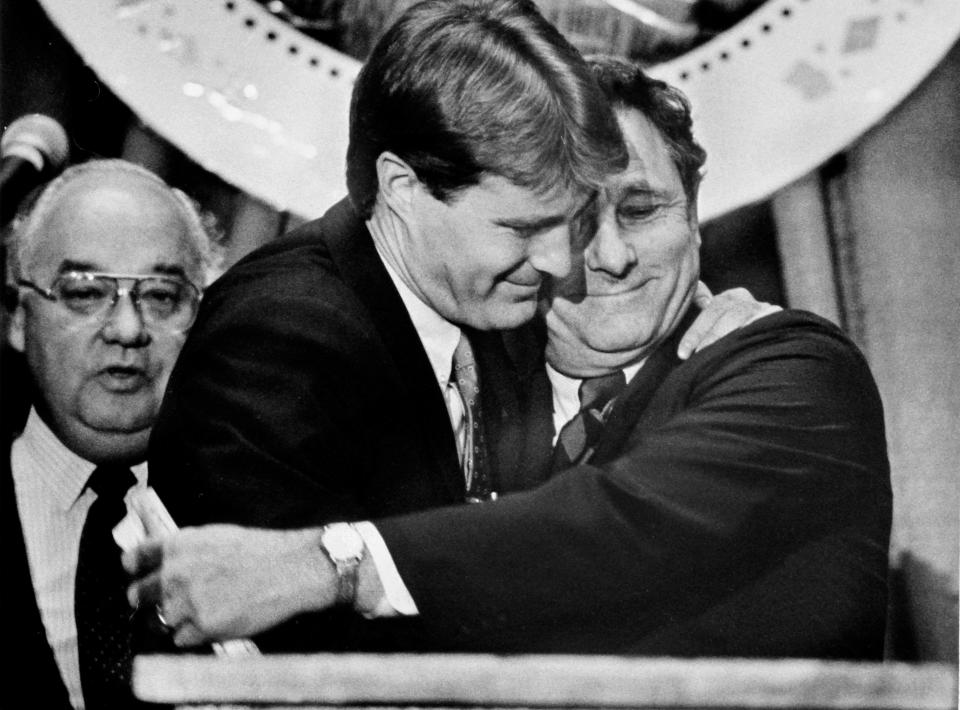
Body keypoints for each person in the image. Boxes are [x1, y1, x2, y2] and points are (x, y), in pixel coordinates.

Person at [127, 54, 891, 659]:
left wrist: (325, 566)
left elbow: (621, 523)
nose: (614, 256)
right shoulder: (463, 380)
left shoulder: (794, 373)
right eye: (572, 220)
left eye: (642, 209)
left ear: (695, 213)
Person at [2, 159, 221, 709]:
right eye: (84, 292)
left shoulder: (258, 504)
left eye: (162, 295)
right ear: (18, 319)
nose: (128, 330)